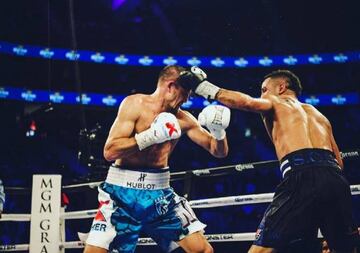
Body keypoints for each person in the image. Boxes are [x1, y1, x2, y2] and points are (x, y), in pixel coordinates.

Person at [184, 67, 359, 252]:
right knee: (342, 248)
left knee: (261, 250)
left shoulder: (277, 102)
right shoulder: (319, 115)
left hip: (301, 177)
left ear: (281, 87)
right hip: (336, 180)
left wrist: (203, 87)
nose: (262, 95)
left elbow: (247, 102)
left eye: (264, 89)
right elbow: (339, 162)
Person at [84, 65, 231, 253]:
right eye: (185, 91)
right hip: (120, 194)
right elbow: (110, 152)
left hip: (160, 195)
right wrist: (150, 136)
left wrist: (219, 132)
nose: (188, 98)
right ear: (170, 86)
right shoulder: (134, 104)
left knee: (203, 250)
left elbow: (218, 151)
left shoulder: (184, 119)